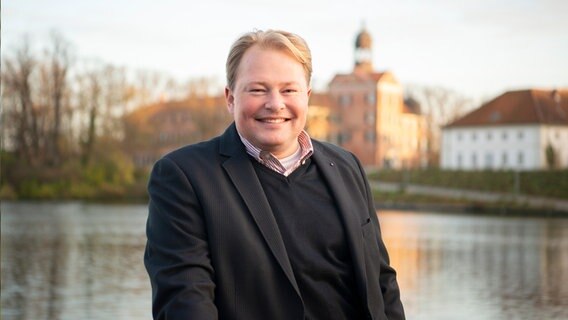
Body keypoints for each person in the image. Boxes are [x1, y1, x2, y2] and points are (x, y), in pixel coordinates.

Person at [144, 29, 405, 320]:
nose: (275, 103)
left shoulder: (347, 167)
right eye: (257, 89)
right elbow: (186, 303)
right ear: (230, 98)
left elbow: (383, 284)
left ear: (306, 97)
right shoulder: (185, 177)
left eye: (289, 90)